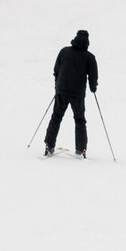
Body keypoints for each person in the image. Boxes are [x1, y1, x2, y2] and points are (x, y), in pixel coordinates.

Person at [44, 29, 99, 158]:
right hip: (77, 94)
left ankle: (49, 145)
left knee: (56, 117)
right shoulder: (89, 57)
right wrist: (93, 87)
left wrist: (57, 84)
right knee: (80, 120)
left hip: (61, 90)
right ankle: (81, 149)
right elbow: (93, 75)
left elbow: (56, 70)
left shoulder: (64, 51)